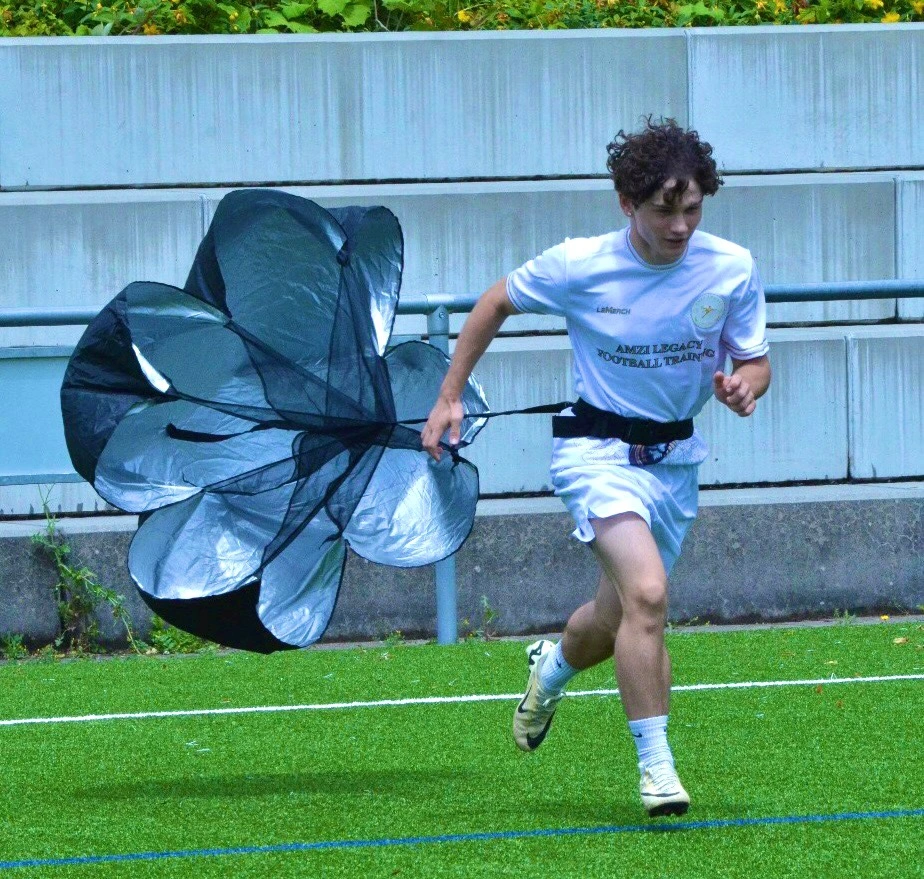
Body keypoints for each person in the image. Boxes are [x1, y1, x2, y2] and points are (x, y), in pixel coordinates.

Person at [420, 118, 771, 818]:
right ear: (626, 204)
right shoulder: (582, 264)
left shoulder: (730, 267)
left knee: (611, 621)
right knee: (647, 593)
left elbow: (755, 360)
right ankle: (658, 770)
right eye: (663, 210)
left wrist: (745, 386)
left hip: (674, 463)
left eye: (692, 208)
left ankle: (548, 670)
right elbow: (494, 303)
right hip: (596, 453)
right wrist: (449, 394)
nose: (679, 225)